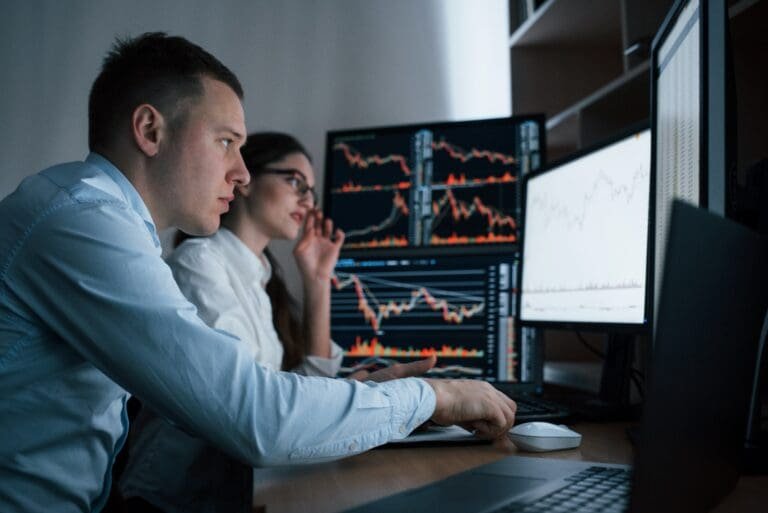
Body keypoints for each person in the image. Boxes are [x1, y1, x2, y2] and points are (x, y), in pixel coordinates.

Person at [0, 32, 516, 513]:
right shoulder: (82, 223)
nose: (241, 172)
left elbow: (257, 398)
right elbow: (254, 415)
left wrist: (365, 393)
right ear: (150, 130)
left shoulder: (96, 220)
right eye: (226, 142)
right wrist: (433, 397)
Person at [117, 132, 358, 511]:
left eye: (311, 191)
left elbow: (288, 404)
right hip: (167, 503)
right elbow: (254, 408)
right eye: (296, 182)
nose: (308, 202)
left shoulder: (258, 281)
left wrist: (317, 282)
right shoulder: (200, 263)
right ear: (245, 180)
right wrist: (354, 397)